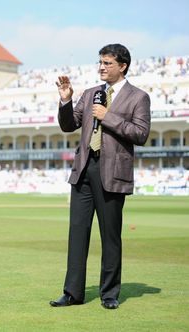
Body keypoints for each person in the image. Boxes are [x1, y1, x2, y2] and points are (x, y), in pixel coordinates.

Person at [50, 44, 151, 310]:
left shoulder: (138, 97)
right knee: (77, 234)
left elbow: (140, 134)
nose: (101, 67)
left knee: (110, 236)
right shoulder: (90, 93)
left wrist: (109, 117)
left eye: (107, 63)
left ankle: (109, 294)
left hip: (113, 173)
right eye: (100, 62)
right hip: (84, 170)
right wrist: (65, 99)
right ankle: (72, 293)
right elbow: (68, 125)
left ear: (123, 66)